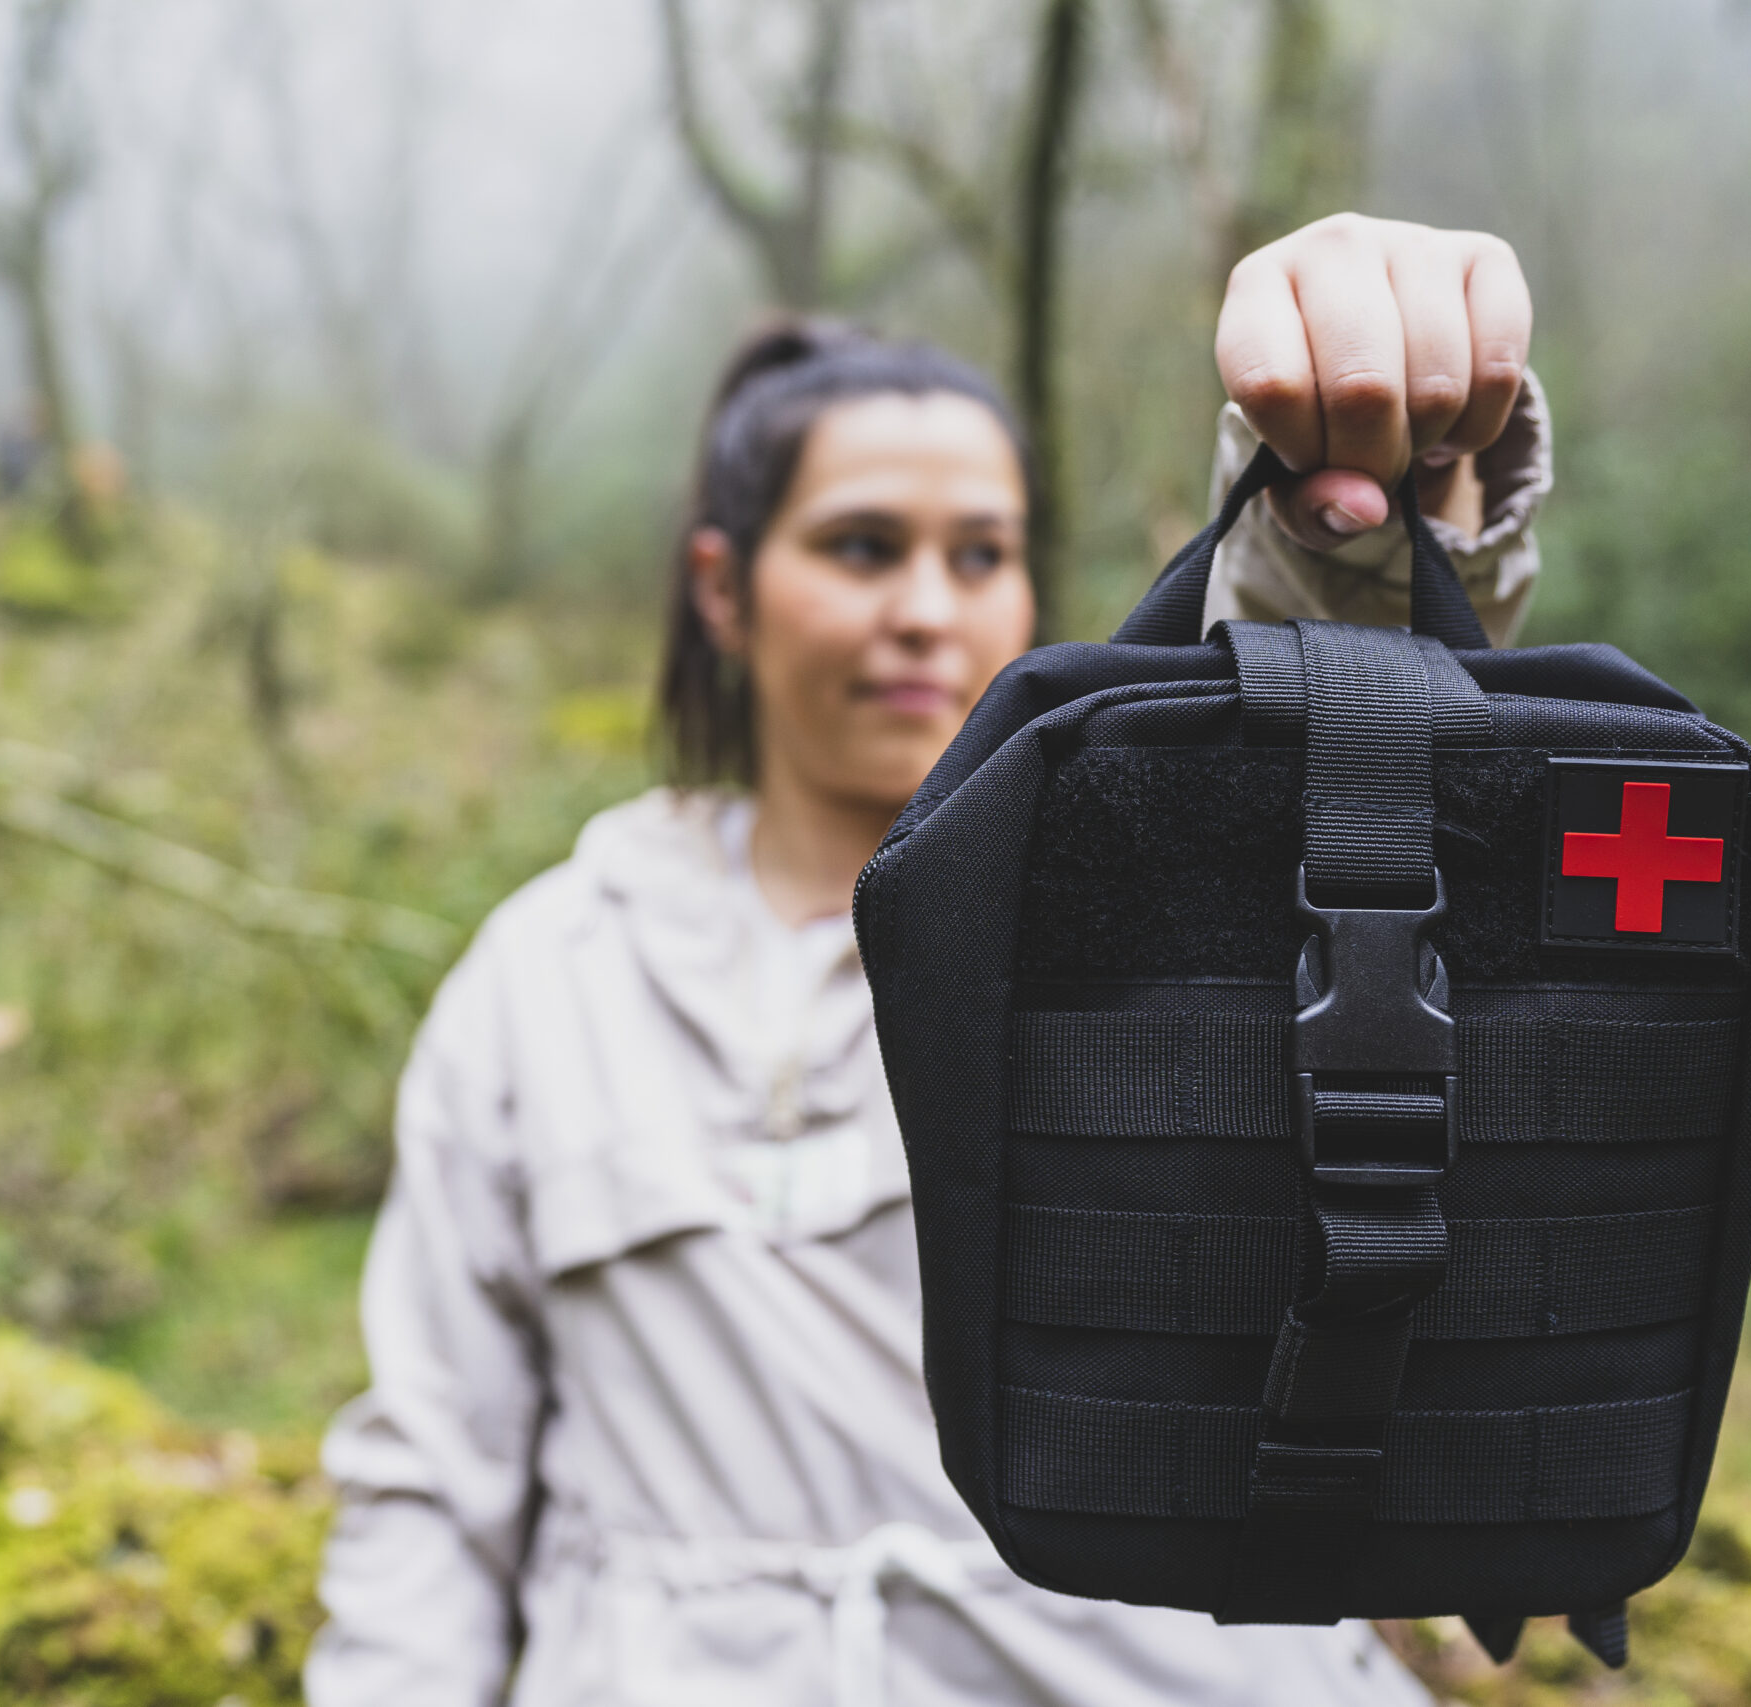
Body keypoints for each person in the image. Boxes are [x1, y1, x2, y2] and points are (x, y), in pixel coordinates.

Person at [307, 213, 1554, 1707]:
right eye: (860, 548)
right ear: (724, 589)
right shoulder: (551, 976)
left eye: (981, 554)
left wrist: (1369, 478)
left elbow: (1332, 745)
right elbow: (433, 1487)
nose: (924, 610)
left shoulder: (1148, 907)